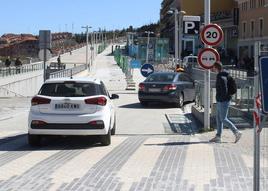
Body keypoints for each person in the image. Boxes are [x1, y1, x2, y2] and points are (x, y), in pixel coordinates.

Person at [209, 61, 242, 143]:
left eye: (213, 67)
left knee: (223, 119)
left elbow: (224, 89)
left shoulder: (221, 77)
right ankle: (218, 136)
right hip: (222, 100)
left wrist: (221, 98)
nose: (212, 69)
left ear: (216, 68)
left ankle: (237, 132)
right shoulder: (223, 75)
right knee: (219, 118)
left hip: (223, 101)